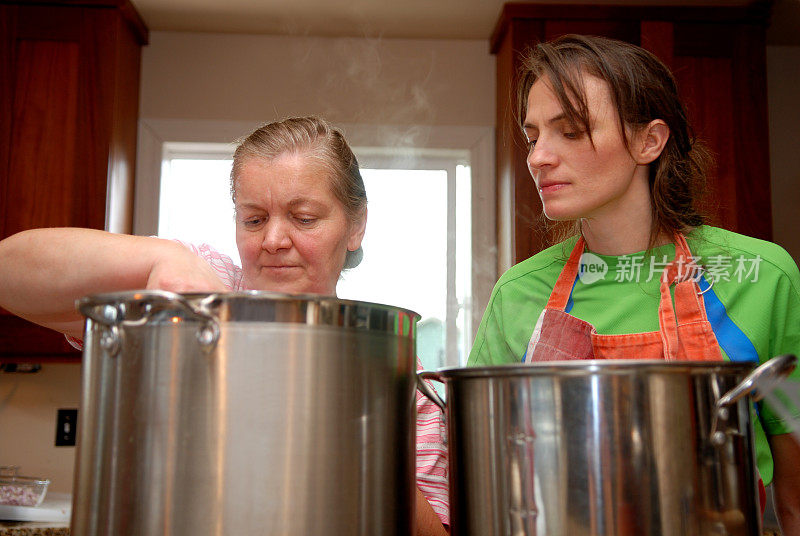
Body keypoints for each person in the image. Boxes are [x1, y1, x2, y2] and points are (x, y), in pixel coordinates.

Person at [0, 116, 449, 535]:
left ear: (355, 226)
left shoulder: (395, 363)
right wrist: (162, 257)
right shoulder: (202, 292)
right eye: (253, 219)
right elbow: (8, 272)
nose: (273, 241)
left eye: (303, 218)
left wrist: (342, 431)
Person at [468, 34, 800, 532]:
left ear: (650, 140)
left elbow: (795, 487)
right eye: (533, 136)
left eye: (572, 131)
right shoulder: (518, 294)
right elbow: (488, 484)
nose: (538, 157)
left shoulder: (761, 277)